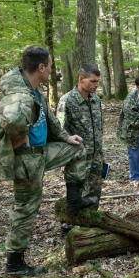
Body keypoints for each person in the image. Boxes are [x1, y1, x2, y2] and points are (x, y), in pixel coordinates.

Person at [0, 46, 96, 277]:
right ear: (40, 67)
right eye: (49, 66)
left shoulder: (34, 89)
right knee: (26, 209)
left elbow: (48, 117)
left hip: (42, 152)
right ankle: (14, 264)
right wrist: (20, 136)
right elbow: (12, 120)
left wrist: (66, 137)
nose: (51, 71)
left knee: (77, 150)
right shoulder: (20, 94)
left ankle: (74, 200)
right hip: (27, 159)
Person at [57, 64, 104, 208]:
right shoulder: (67, 101)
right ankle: (71, 226)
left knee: (94, 194)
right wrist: (63, 160)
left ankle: (91, 227)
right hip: (77, 158)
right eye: (93, 81)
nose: (96, 85)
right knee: (76, 196)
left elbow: (98, 128)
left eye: (98, 81)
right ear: (81, 79)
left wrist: (101, 153)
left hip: (95, 157)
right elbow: (60, 130)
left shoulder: (96, 100)